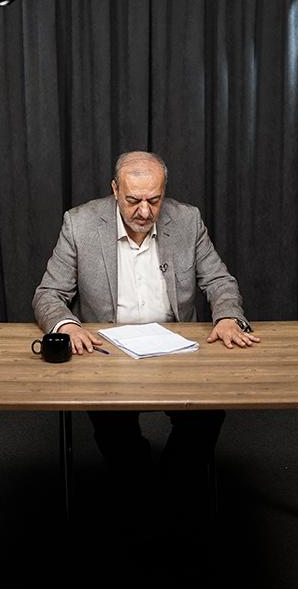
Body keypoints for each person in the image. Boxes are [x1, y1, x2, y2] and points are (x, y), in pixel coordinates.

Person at [32, 151, 258, 508]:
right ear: (114, 190)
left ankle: (169, 489)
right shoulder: (79, 223)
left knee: (208, 414)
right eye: (133, 200)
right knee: (113, 426)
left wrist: (228, 317)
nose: (144, 211)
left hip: (178, 349)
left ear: (164, 192)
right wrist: (67, 325)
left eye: (154, 200)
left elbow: (219, 281)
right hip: (107, 353)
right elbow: (49, 293)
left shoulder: (187, 220)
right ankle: (138, 487)